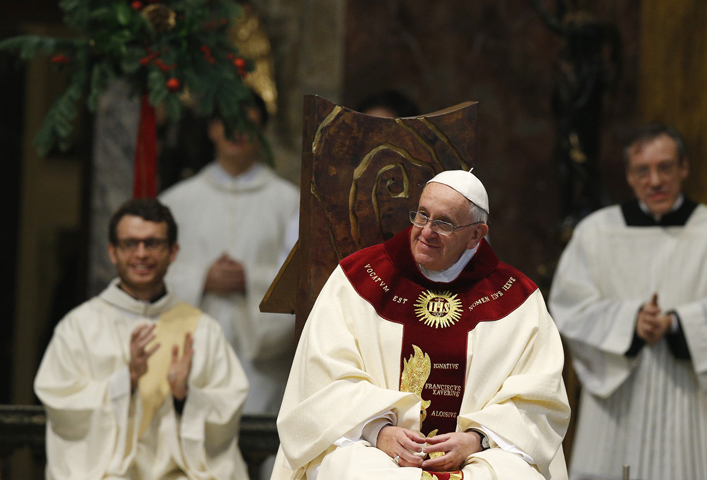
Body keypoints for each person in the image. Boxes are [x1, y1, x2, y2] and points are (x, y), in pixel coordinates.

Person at [270, 170, 570, 480]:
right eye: (422, 215)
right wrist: (378, 431)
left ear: (476, 235)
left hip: (478, 454)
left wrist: (477, 438)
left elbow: (538, 400)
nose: (426, 232)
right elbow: (323, 380)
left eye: (443, 223)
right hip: (373, 447)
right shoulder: (358, 279)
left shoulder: (517, 298)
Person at [549, 123, 707, 480]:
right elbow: (568, 308)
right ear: (629, 177)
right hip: (615, 405)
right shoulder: (596, 233)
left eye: (666, 167)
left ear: (684, 168)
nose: (655, 181)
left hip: (690, 404)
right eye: (643, 171)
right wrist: (630, 321)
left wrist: (679, 323)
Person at [34, 198, 249, 480]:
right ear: (112, 252)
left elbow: (228, 408)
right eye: (129, 243)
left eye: (153, 243)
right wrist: (127, 381)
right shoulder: (78, 327)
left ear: (173, 251)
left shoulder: (202, 331)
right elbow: (60, 402)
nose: (141, 253)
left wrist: (185, 396)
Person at [159, 94, 300, 418]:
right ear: (212, 130)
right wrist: (200, 278)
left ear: (262, 132)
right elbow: (153, 272)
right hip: (192, 354)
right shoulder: (177, 201)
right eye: (229, 124)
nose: (238, 133)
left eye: (248, 125)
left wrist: (249, 279)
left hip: (261, 364)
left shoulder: (289, 201)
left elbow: (301, 280)